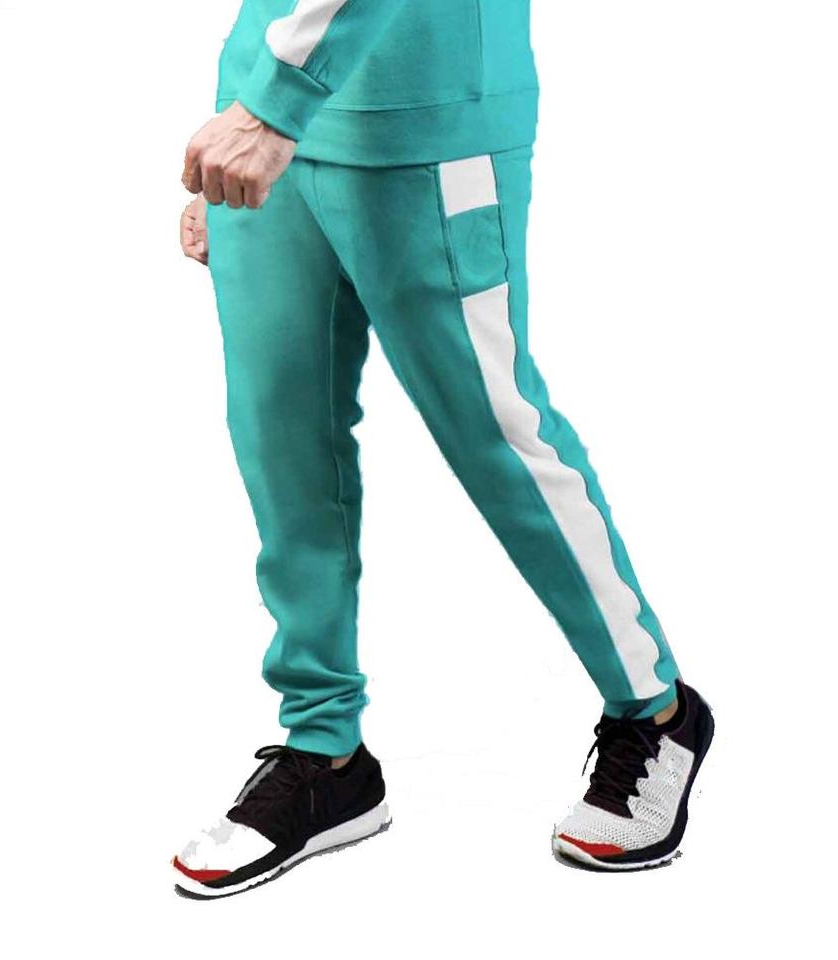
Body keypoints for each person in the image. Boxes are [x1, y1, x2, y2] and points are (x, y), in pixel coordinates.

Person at [172, 0, 713, 899]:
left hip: (426, 123)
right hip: (274, 124)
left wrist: (268, 107)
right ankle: (325, 754)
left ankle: (656, 711)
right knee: (281, 442)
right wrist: (240, 109)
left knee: (497, 434)